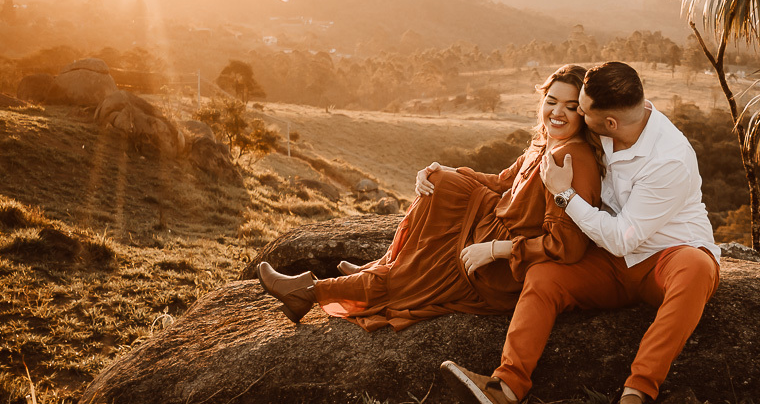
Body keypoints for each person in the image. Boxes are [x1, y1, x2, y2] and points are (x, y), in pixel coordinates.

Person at [440, 61, 720, 404]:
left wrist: (565, 195)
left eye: (581, 110)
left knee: (697, 267)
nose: (575, 115)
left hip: (667, 257)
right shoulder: (609, 123)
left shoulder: (669, 159)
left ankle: (635, 394)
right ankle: (506, 388)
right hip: (609, 261)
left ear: (610, 123)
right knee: (543, 274)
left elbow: (623, 238)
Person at [255, 65, 603, 331]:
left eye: (570, 107)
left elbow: (565, 246)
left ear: (585, 114)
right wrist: (444, 170)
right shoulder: (545, 143)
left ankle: (310, 291)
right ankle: (378, 267)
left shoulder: (572, 160)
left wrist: (495, 250)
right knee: (441, 182)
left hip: (503, 263)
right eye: (551, 101)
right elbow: (502, 183)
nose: (557, 112)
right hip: (494, 224)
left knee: (421, 269)